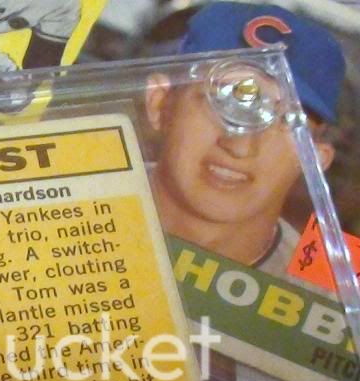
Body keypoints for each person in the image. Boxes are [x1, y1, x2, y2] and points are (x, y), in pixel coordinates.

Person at [144, 2, 344, 273]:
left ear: (315, 160)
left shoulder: (335, 293)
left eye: (286, 119)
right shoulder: (75, 206)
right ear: (160, 104)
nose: (240, 146)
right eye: (223, 102)